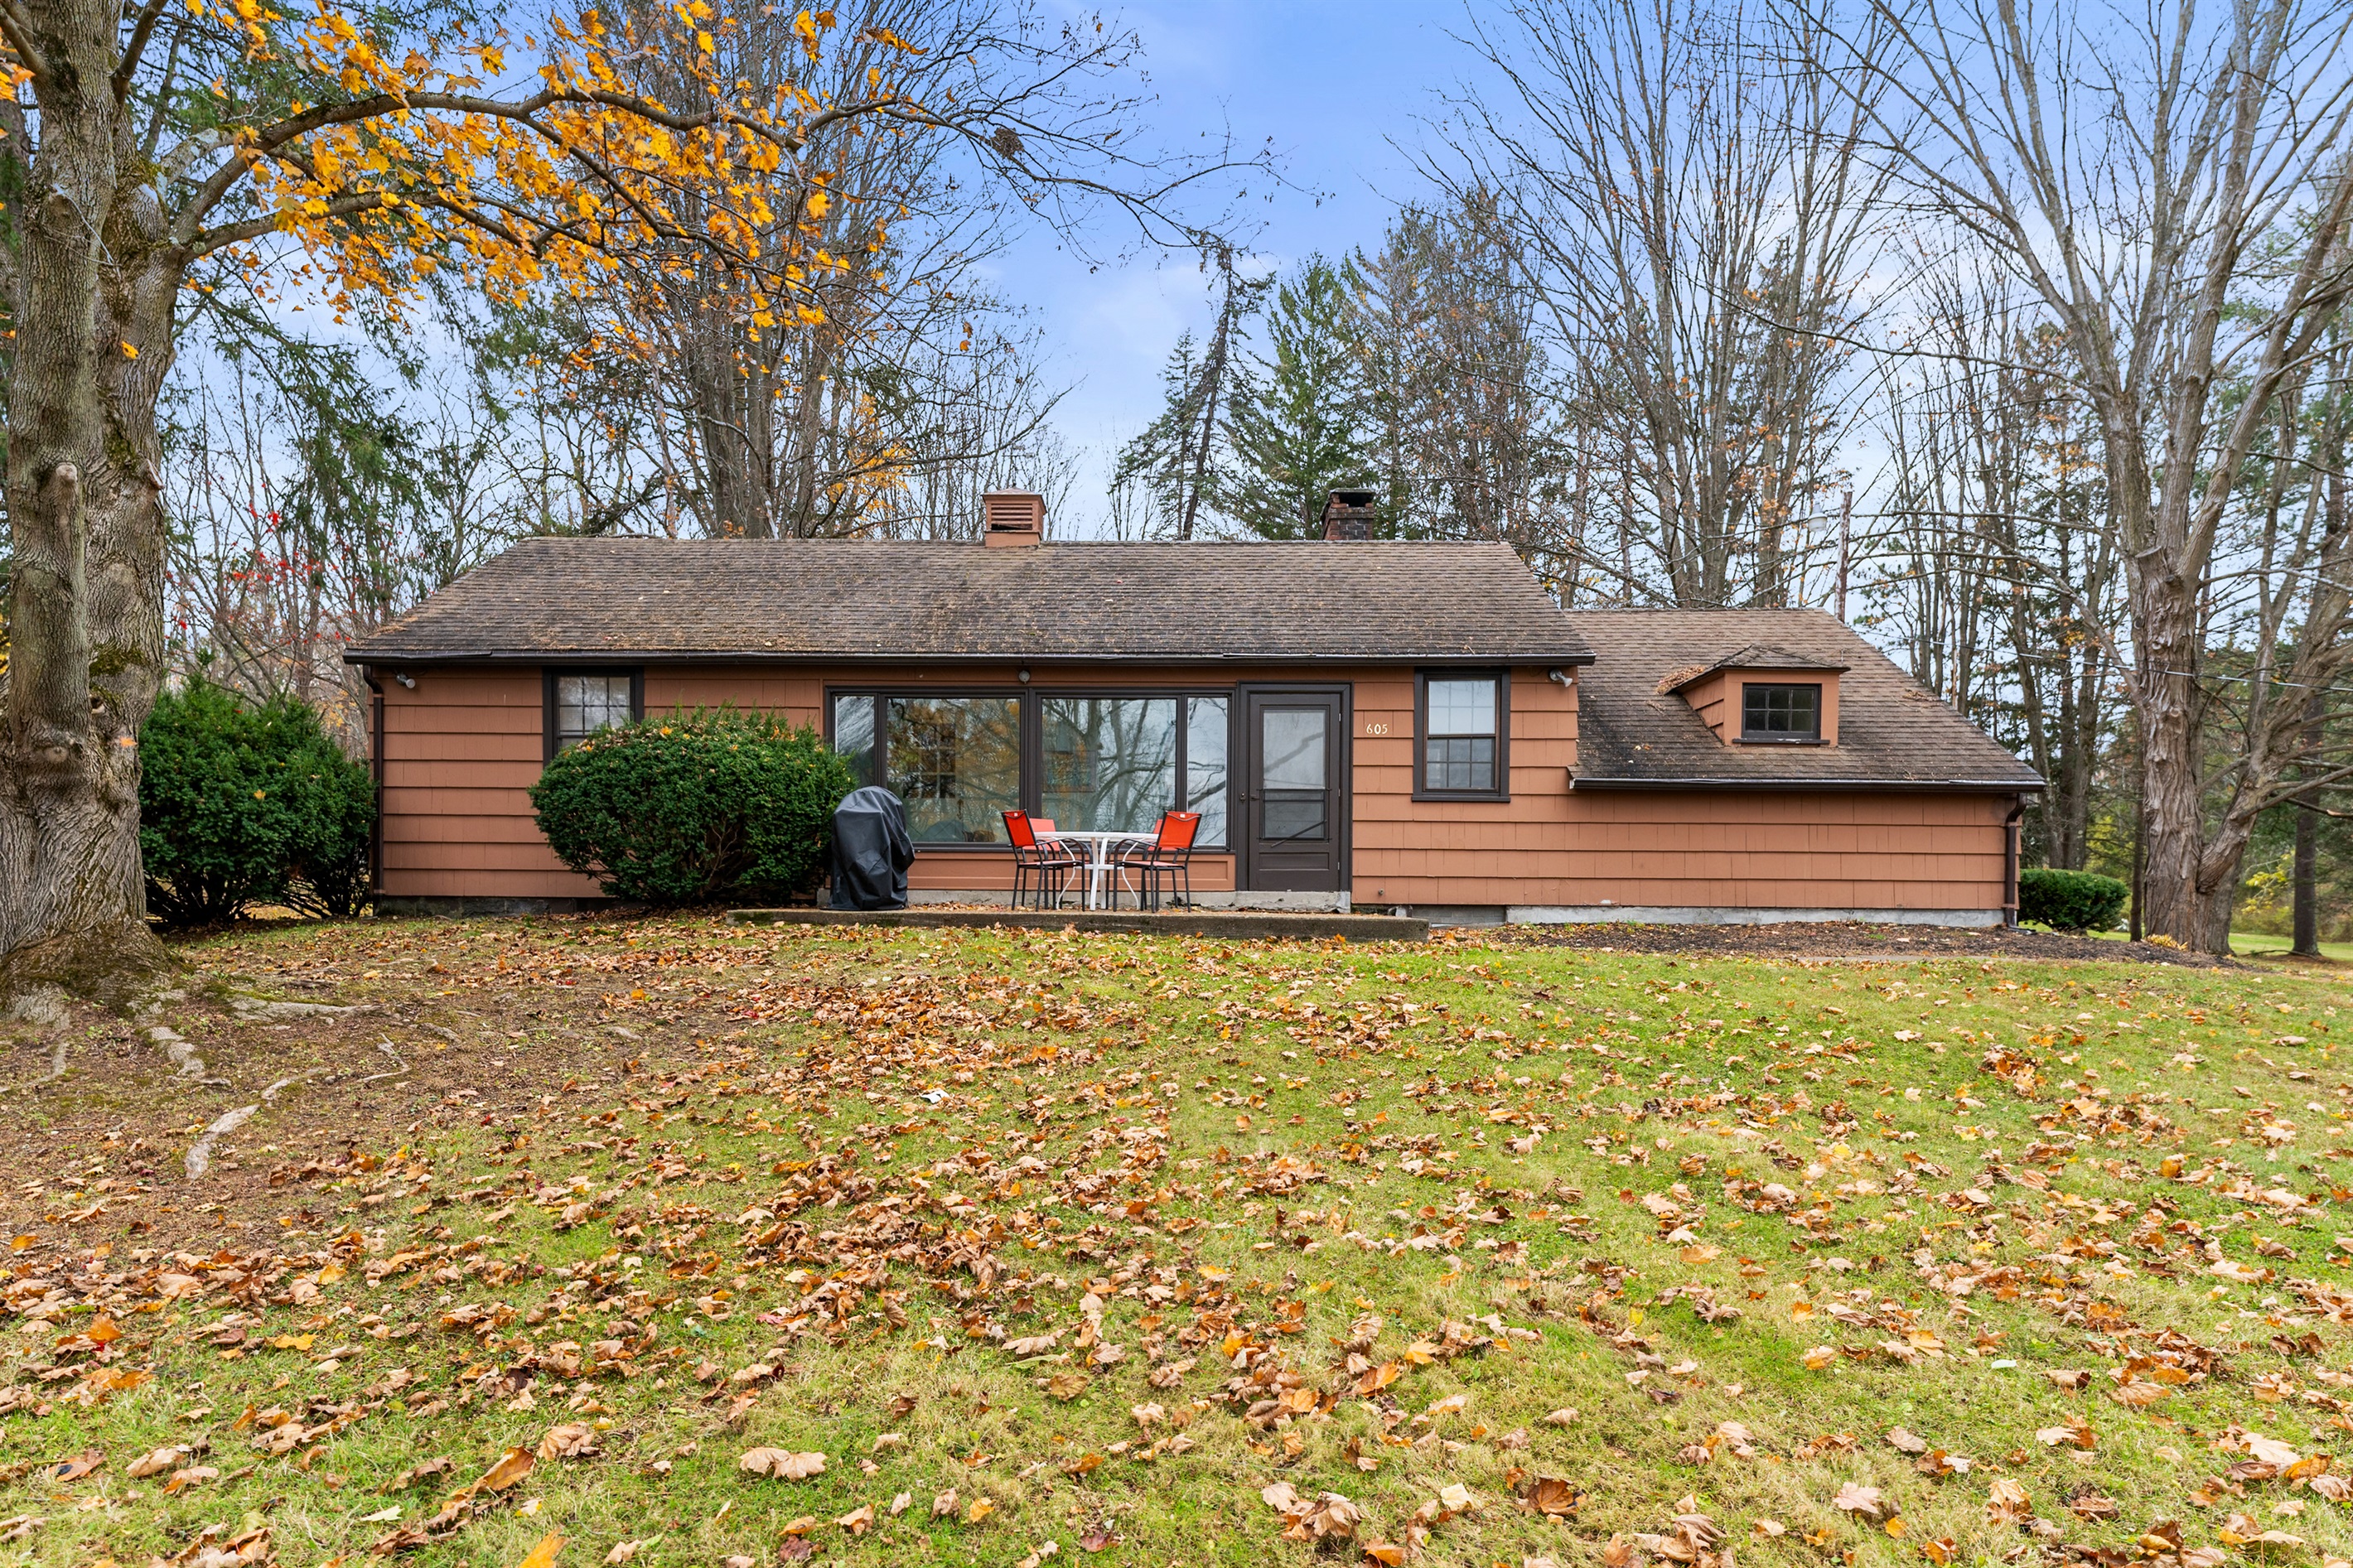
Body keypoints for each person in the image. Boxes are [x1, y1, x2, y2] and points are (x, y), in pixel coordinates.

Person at [829, 785, 915, 909]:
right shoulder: (881, 812)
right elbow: (903, 850)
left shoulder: (846, 814)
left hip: (847, 895)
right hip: (885, 889)